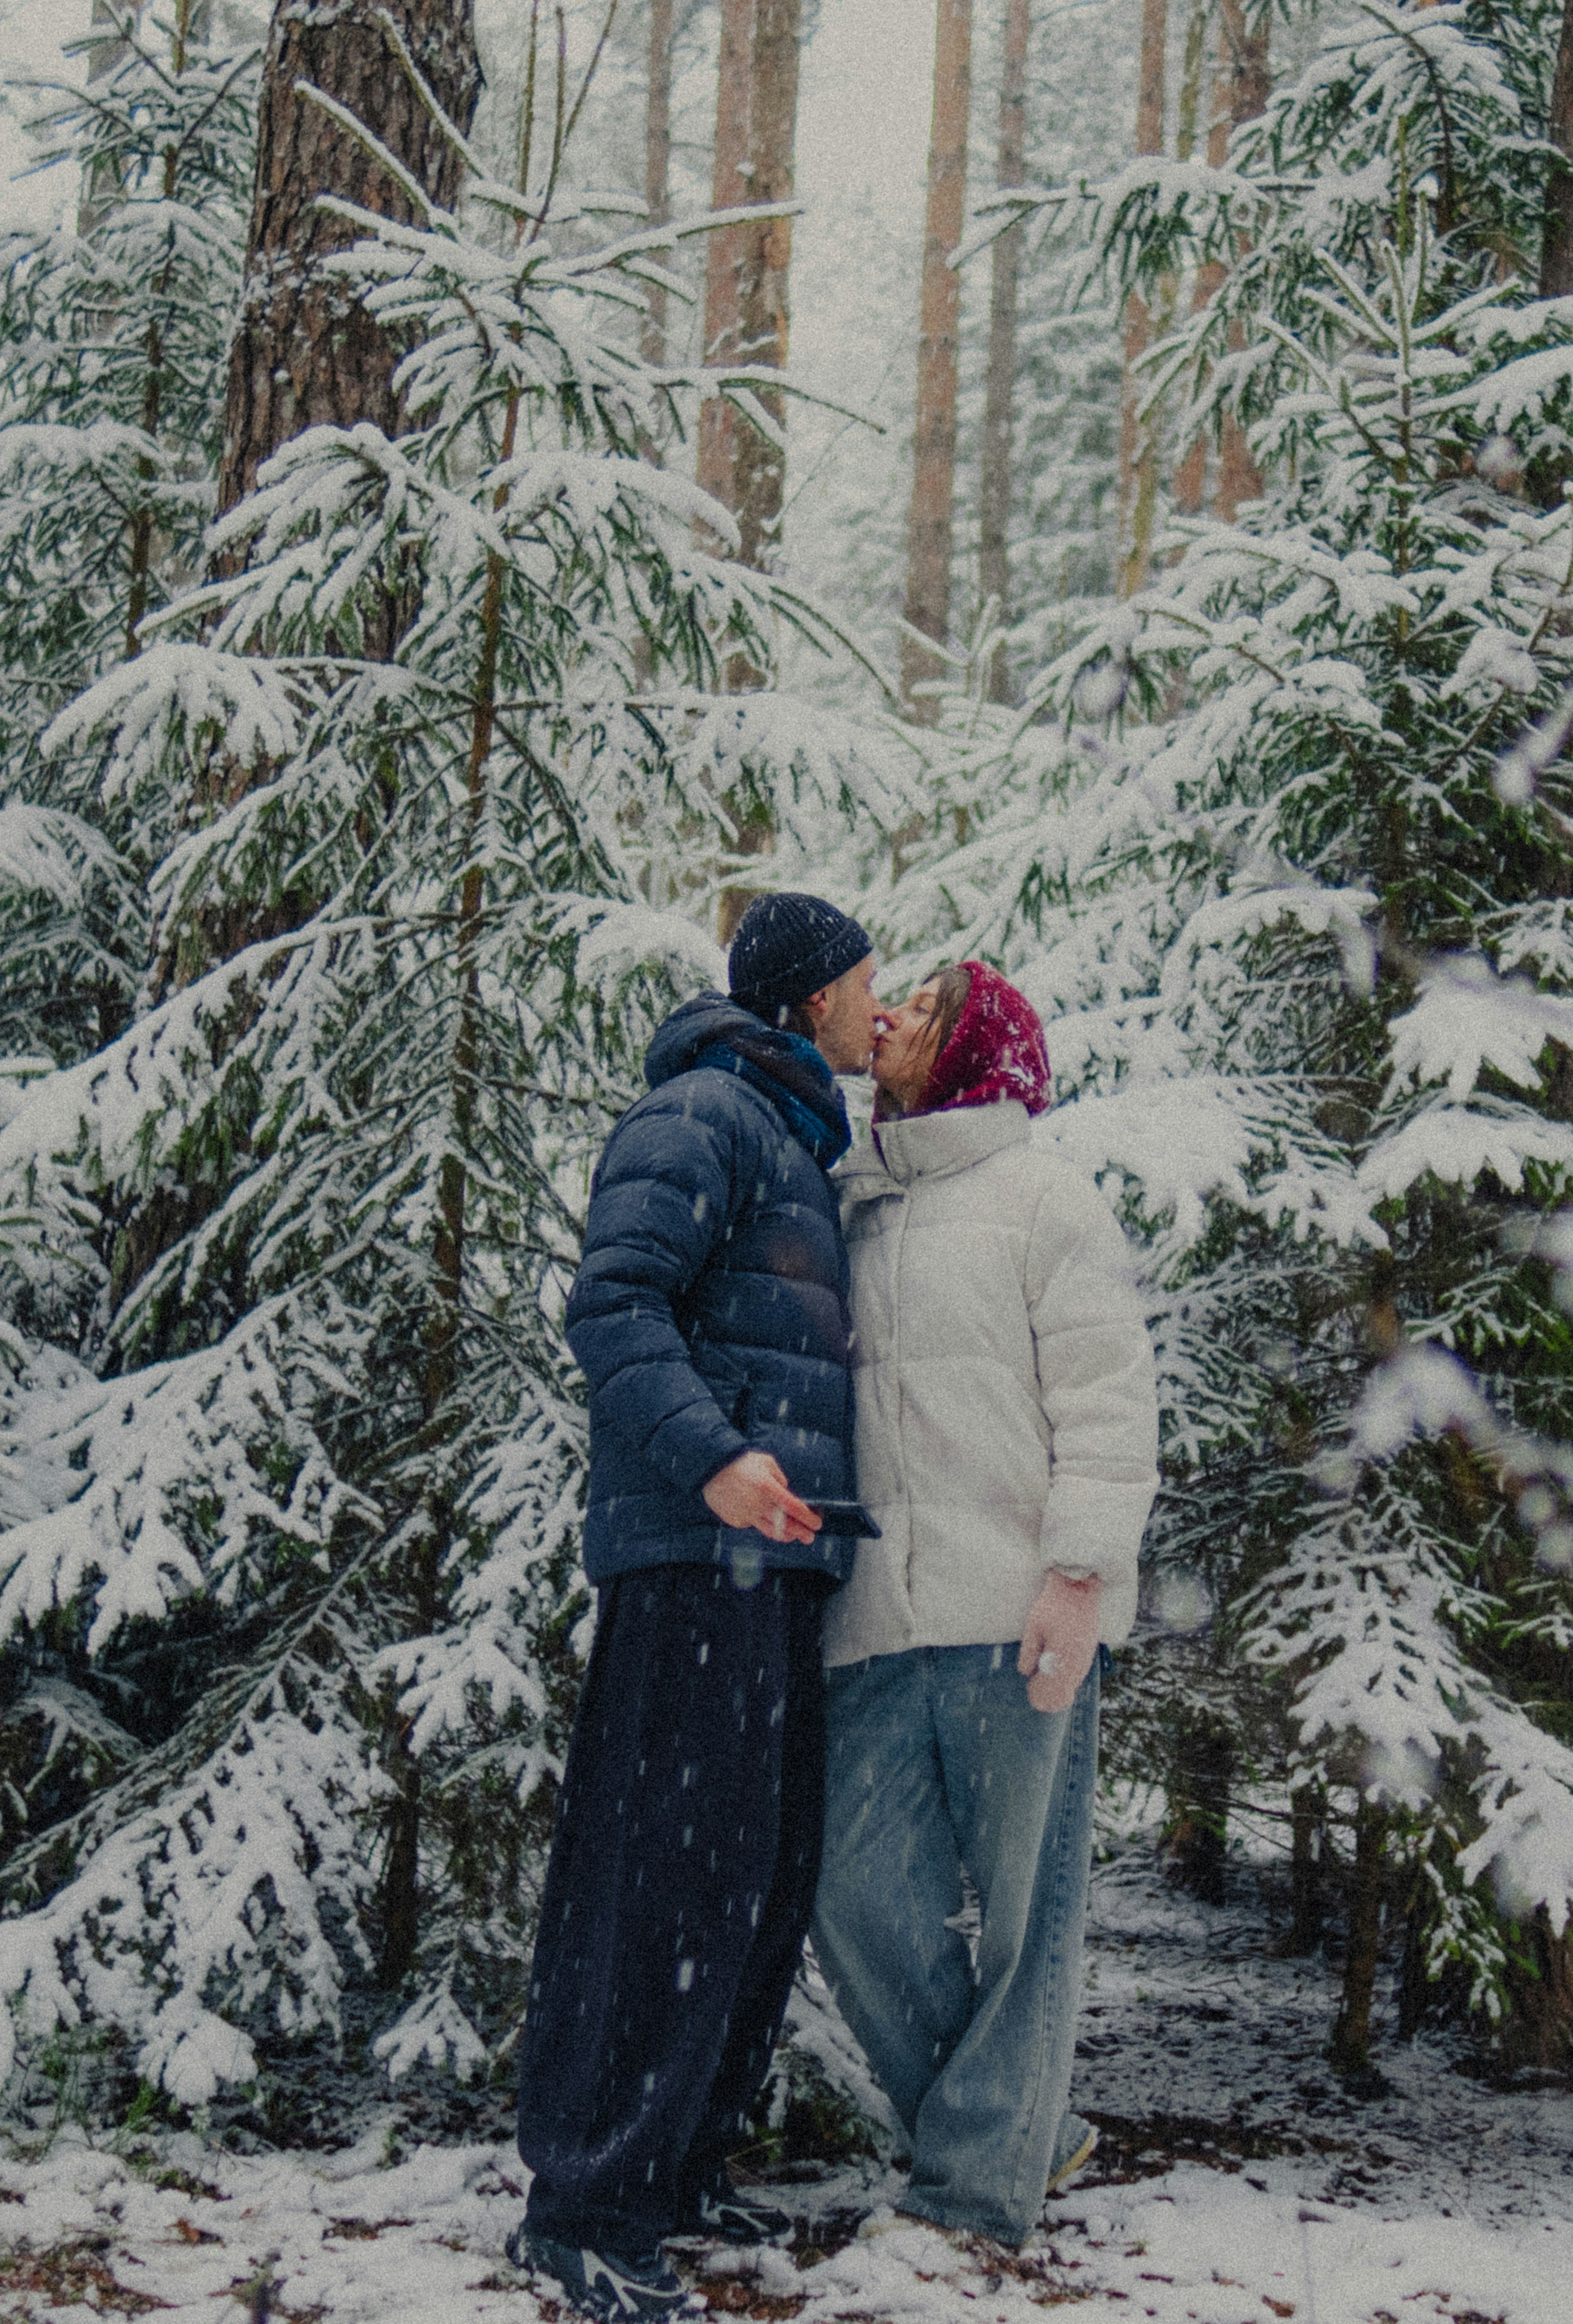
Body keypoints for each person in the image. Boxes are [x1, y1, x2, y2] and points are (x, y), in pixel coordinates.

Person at [511, 894, 885, 2322]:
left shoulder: (791, 1139)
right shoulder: (705, 1114)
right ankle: (582, 2207)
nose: (876, 1007)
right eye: (863, 983)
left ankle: (668, 2175)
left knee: (750, 1881)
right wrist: (721, 1462)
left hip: (773, 1567)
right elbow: (615, 1307)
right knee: (657, 1883)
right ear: (802, 999)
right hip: (692, 1556)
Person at [815, 960, 1158, 2251]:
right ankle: (1020, 2126)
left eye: (923, 1006)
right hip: (870, 1626)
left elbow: (1112, 1404)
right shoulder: (851, 1200)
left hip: (1020, 1618)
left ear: (973, 1050)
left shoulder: (1044, 1197)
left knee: (1029, 1914)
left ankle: (971, 2208)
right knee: (847, 1893)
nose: (886, 1015)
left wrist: (1080, 1578)